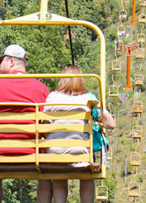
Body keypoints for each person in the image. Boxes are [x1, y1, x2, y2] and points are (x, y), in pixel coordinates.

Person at [0, 44, 52, 203]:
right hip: (32, 155)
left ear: (11, 62)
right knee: (45, 175)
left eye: (0, 62)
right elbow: (47, 120)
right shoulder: (40, 88)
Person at [43, 65, 115, 203]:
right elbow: (111, 123)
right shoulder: (89, 99)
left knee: (59, 171)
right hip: (81, 154)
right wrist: (97, 123)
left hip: (54, 154)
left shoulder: (52, 97)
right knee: (87, 174)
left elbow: (45, 125)